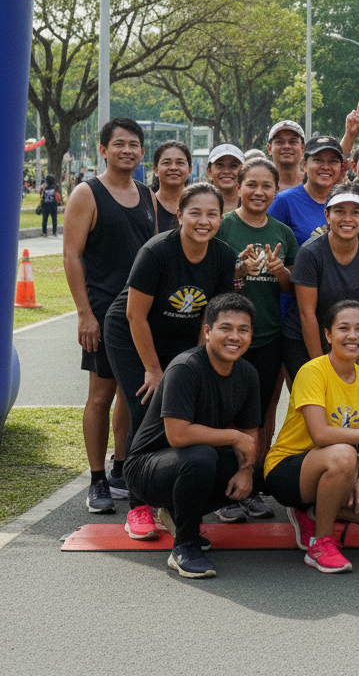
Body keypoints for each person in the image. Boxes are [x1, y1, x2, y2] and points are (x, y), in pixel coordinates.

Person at [103, 182, 237, 538]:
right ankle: (139, 506)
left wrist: (198, 365)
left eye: (212, 214)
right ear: (179, 215)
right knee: (145, 408)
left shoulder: (224, 257)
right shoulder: (157, 252)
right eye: (195, 212)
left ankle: (174, 503)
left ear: (221, 219)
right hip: (132, 333)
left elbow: (211, 318)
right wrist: (152, 369)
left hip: (182, 336)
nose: (203, 220)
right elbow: (135, 316)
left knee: (184, 411)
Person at [263, 301, 359, 574]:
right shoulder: (313, 371)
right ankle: (320, 543)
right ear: (328, 335)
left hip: (336, 466)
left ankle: (312, 513)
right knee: (343, 452)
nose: (352, 335)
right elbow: (321, 434)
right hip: (288, 469)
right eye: (344, 328)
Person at [123, 293, 262, 578]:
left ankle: (176, 511)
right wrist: (234, 438)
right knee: (201, 456)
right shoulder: (186, 368)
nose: (234, 336)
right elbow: (178, 435)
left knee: (261, 469)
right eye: (225, 328)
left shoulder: (247, 373)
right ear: (208, 331)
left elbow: (250, 433)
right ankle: (184, 545)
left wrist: (247, 469)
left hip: (188, 462)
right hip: (146, 469)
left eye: (243, 330)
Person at [63, 118, 155, 514]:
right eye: (119, 144)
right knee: (101, 394)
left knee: (130, 392)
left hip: (139, 313)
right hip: (102, 311)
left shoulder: (147, 194)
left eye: (134, 144)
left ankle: (121, 468)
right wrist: (85, 314)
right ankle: (97, 479)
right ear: (103, 150)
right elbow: (71, 255)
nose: (128, 151)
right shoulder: (88, 193)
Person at [214, 158, 298, 521]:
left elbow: (291, 286)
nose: (259, 192)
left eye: (267, 186)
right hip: (227, 342)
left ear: (275, 190)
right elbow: (213, 278)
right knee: (224, 417)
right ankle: (222, 491)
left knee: (260, 417)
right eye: (252, 184)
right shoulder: (223, 228)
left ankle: (251, 482)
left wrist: (282, 272)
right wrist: (236, 270)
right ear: (238, 186)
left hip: (267, 336)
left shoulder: (282, 232)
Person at [282, 183, 359, 381]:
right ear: (327, 216)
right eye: (339, 211)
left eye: (355, 212)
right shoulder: (310, 253)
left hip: (348, 337)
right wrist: (323, 368)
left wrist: (353, 354)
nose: (347, 219)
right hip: (305, 340)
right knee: (314, 402)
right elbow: (306, 314)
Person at [267, 135, 346, 248]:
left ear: (341, 168)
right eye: (318, 160)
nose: (326, 167)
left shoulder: (346, 202)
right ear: (304, 165)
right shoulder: (284, 202)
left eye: (333, 161)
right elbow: (270, 250)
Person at [152, 141, 192, 233]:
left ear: (190, 170)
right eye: (166, 163)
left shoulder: (200, 205)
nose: (173, 168)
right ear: (155, 170)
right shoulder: (145, 207)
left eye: (180, 163)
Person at [266, 121, 306, 192]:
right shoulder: (261, 185)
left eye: (293, 142)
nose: (286, 146)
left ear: (302, 149)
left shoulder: (313, 185)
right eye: (279, 142)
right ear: (269, 148)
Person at [206, 144, 244, 214]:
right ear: (209, 171)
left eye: (233, 165)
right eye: (220, 165)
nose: (226, 171)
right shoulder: (198, 204)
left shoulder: (251, 205)